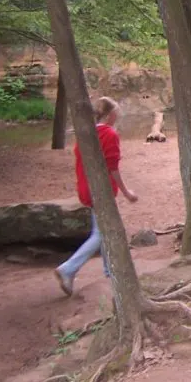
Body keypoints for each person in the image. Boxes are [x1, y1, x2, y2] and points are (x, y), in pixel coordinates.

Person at [54, 97, 138, 297]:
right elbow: (112, 167)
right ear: (110, 114)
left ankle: (110, 272)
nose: (118, 115)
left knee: (102, 229)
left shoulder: (88, 133)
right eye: (116, 111)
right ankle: (68, 269)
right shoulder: (109, 134)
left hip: (86, 188)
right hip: (100, 191)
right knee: (101, 233)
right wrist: (126, 192)